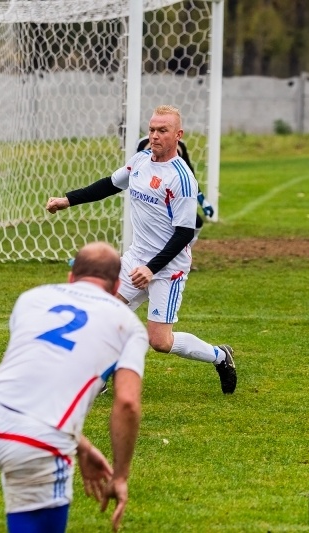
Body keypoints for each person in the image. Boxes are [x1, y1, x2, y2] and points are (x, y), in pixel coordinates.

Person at [47, 105, 237, 395]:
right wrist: (67, 200)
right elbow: (109, 185)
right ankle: (98, 379)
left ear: (178, 135)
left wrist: (152, 269)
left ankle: (220, 356)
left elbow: (184, 233)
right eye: (151, 130)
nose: (155, 136)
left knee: (160, 342)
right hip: (136, 260)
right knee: (103, 313)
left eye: (162, 130)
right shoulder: (140, 161)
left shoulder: (181, 178)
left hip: (167, 269)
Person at [0, 242, 148, 533]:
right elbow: (127, 402)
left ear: (70, 277)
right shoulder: (128, 325)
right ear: (117, 287)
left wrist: (82, 446)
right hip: (35, 442)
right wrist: (121, 475)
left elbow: (35, 376)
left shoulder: (31, 298)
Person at [136, 135, 214, 248]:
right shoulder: (142, 147)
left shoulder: (181, 147)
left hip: (172, 193)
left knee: (195, 223)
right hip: (149, 196)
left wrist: (201, 199)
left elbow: (190, 175)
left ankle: (181, 255)